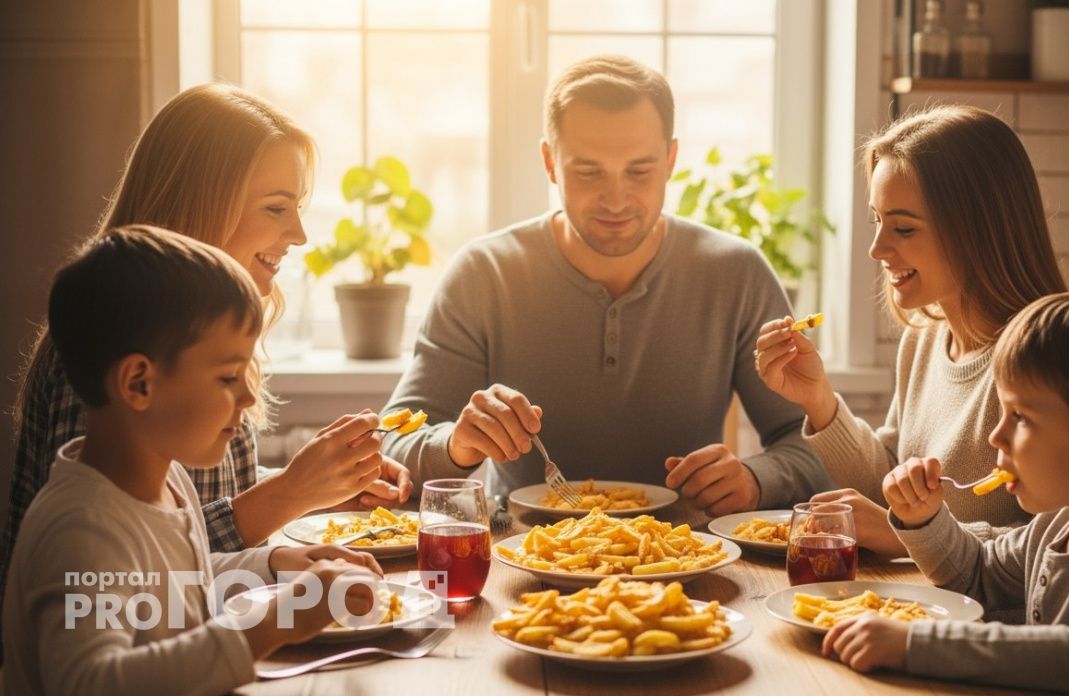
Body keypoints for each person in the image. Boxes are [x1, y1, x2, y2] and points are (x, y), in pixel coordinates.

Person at [5, 84, 412, 615]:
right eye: (276, 208)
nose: (300, 234)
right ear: (201, 205)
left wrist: (322, 488)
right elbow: (113, 585)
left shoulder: (194, 329)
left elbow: (186, 521)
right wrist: (286, 495)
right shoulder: (109, 350)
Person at [382, 55, 830, 514]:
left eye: (639, 171)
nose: (616, 200)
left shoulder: (736, 273)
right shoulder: (483, 274)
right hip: (516, 556)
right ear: (549, 162)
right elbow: (389, 444)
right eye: (588, 172)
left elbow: (821, 446)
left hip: (689, 560)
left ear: (671, 159)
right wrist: (456, 444)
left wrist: (758, 479)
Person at [4, 226, 386, 695]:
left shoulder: (168, 482)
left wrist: (276, 564)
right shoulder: (83, 529)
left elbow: (176, 591)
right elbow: (91, 682)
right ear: (138, 384)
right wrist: (276, 620)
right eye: (228, 377)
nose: (248, 397)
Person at [821, 283, 1069, 694]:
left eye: (1021, 417)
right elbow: (977, 573)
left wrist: (916, 644)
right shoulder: (1057, 525)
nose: (996, 436)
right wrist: (924, 519)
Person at [755, 105, 1066, 555]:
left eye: (902, 227)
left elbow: (1063, 545)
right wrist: (817, 399)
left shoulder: (1048, 359)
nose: (877, 249)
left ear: (978, 229)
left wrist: (908, 535)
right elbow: (893, 489)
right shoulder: (923, 339)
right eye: (877, 221)